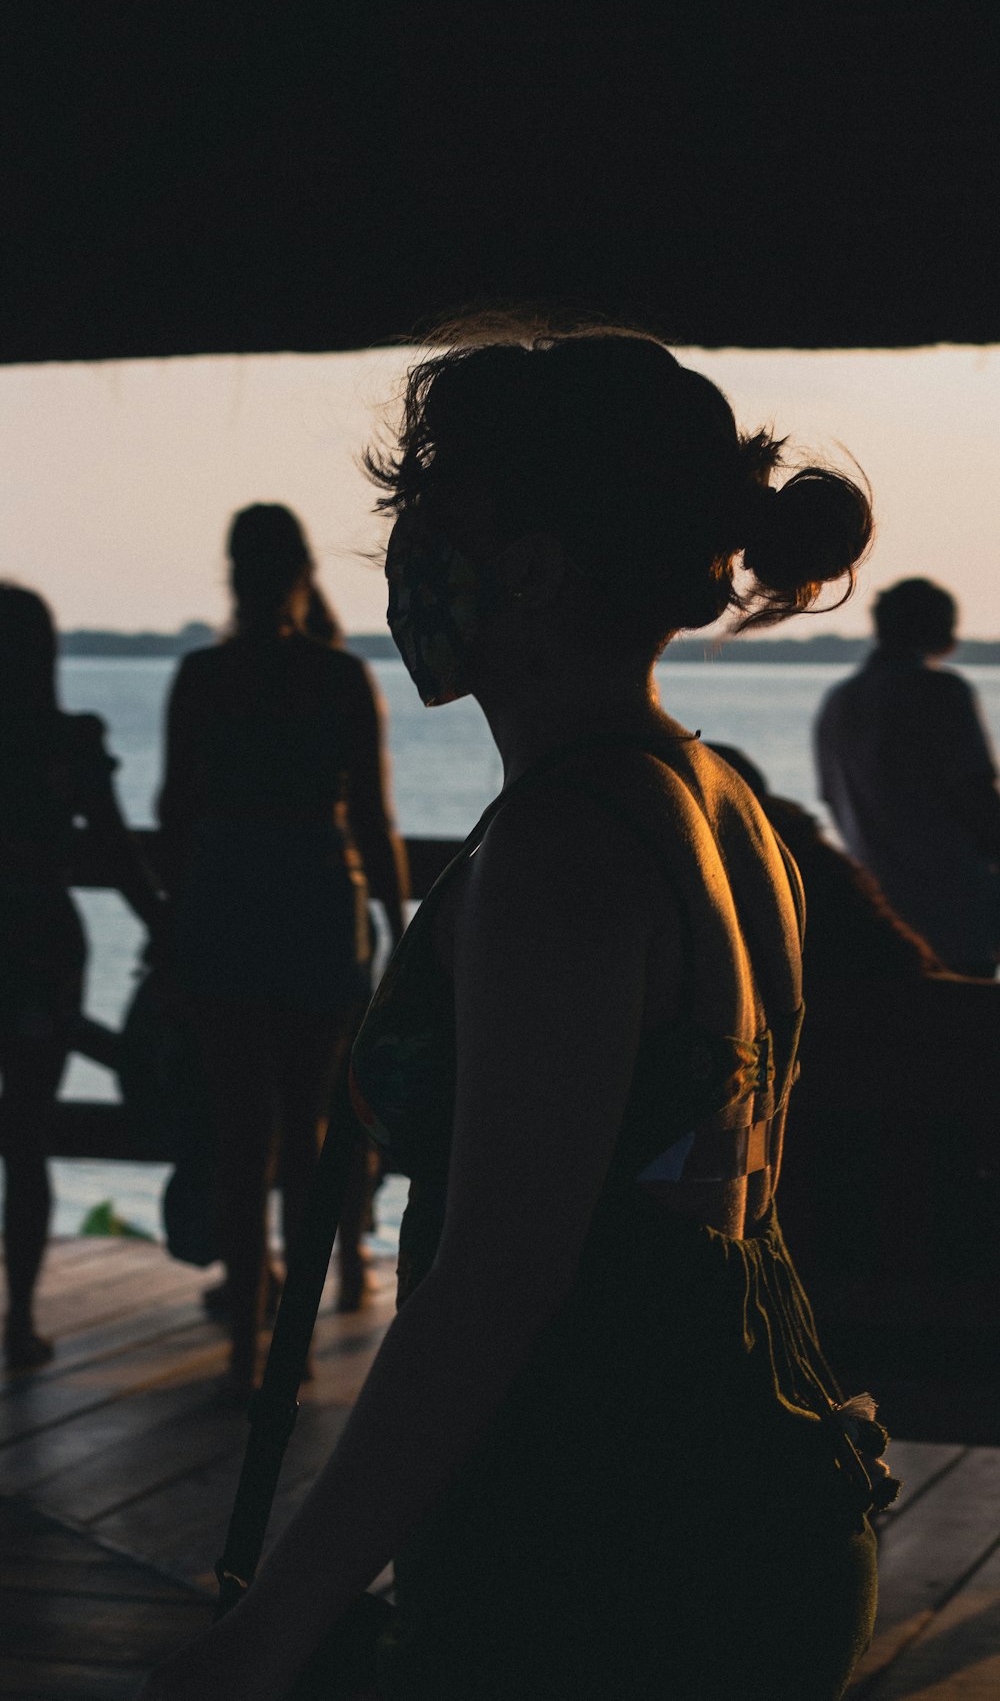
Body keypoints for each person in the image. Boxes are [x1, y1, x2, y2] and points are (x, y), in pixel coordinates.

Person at [140, 325, 892, 1701]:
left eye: (433, 508)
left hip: (606, 1560)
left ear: (534, 566)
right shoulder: (720, 803)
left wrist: (264, 1637)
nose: (405, 544)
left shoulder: (562, 851)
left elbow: (496, 1285)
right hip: (762, 1498)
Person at [157, 505, 408, 1398]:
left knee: (240, 1132)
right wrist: (398, 924)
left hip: (223, 894)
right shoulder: (339, 679)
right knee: (306, 1132)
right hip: (313, 892)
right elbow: (373, 820)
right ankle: (293, 1343)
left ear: (234, 573)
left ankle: (241, 1354)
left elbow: (174, 815)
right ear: (305, 570)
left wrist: (165, 927)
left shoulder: (203, 676)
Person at [0, 584, 164, 1370]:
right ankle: (19, 1319)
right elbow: (119, 850)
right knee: (26, 1138)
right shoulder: (68, 740)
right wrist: (164, 927)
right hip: (41, 945)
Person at [815, 576, 1000, 977]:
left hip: (879, 917)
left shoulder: (839, 701)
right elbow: (977, 800)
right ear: (939, 629)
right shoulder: (940, 691)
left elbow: (832, 798)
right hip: (956, 915)